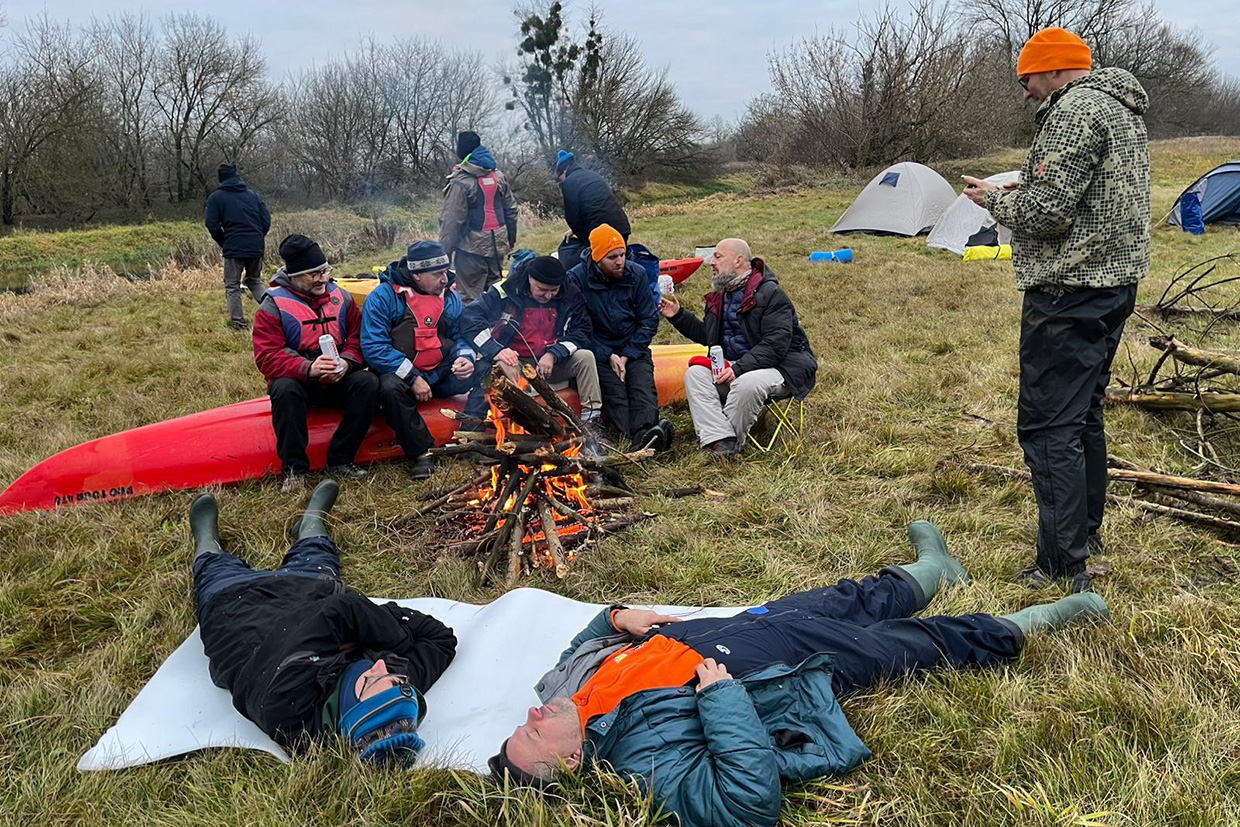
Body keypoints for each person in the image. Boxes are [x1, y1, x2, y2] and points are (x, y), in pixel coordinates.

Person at [488, 521, 1110, 827]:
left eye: (526, 722)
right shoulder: (641, 762)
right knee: (900, 646)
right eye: (536, 732)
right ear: (573, 762)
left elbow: (580, 643)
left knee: (842, 598)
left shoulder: (561, 692)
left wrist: (616, 617)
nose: (534, 713)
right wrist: (721, 699)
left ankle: (934, 569)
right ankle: (1031, 621)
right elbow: (747, 804)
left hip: (721, 631)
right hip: (769, 671)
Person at [962, 28, 1150, 593]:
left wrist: (993, 200)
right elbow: (1087, 190)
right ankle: (1084, 536)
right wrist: (1025, 185)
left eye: (1027, 79)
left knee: (1048, 427)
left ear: (1051, 68)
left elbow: (1046, 214)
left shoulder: (1073, 112)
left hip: (1069, 292)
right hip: (1114, 285)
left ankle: (1063, 565)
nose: (1025, 93)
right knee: (1084, 415)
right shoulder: (1120, 108)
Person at [190, 479, 457, 760]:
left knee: (213, 570)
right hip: (309, 591)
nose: (380, 666)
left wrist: (372, 626)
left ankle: (207, 541)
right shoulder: (390, 692)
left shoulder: (288, 706)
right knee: (317, 553)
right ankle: (310, 523)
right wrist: (396, 637)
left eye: (371, 679)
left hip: (240, 608)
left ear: (352, 708)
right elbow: (442, 639)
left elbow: (342, 609)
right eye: (395, 678)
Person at [659, 238, 816, 457]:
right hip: (737, 365)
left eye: (718, 257)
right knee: (695, 375)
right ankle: (721, 440)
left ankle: (728, 447)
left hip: (780, 366)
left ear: (738, 260)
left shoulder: (770, 294)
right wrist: (678, 316)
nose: (711, 262)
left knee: (746, 383)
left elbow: (775, 345)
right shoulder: (719, 296)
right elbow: (709, 337)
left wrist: (738, 369)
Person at [253, 234, 379, 491]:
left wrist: (346, 364)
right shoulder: (272, 305)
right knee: (284, 389)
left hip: (338, 378)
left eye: (325, 271)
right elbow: (268, 356)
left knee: (367, 382)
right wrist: (309, 369)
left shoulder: (342, 298)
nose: (323, 278)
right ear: (294, 276)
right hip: (300, 384)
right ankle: (295, 471)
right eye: (314, 274)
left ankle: (341, 458)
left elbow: (358, 339)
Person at [459, 254, 606, 452]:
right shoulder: (505, 291)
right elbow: (469, 320)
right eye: (542, 290)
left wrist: (554, 353)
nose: (548, 296)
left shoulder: (571, 294)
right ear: (530, 278)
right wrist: (496, 350)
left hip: (552, 364)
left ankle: (591, 423)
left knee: (585, 357)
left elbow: (582, 332)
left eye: (553, 291)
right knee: (502, 366)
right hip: (516, 362)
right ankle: (520, 427)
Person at [361, 241, 476, 479]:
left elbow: (462, 335)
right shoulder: (383, 297)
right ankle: (423, 452)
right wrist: (413, 377)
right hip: (402, 377)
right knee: (389, 388)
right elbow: (374, 346)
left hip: (442, 372)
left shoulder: (450, 296)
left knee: (485, 368)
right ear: (416, 275)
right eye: (437, 274)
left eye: (445, 272)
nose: (445, 279)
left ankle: (472, 434)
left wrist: (465, 358)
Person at [566, 224, 672, 451]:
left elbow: (649, 319)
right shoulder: (576, 279)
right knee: (615, 394)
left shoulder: (637, 274)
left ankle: (644, 435)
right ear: (597, 258)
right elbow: (579, 329)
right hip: (598, 351)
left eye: (622, 255)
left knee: (642, 386)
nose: (620, 261)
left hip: (633, 345)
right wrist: (608, 355)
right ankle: (647, 435)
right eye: (612, 257)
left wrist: (627, 354)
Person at [439, 131, 518, 302]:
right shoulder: (499, 176)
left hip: (470, 250)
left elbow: (451, 222)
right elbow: (511, 211)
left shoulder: (460, 181)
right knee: (496, 295)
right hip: (498, 246)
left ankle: (472, 321)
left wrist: (445, 255)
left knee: (469, 298)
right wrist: (510, 240)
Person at [205, 162, 272, 331]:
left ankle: (238, 323)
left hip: (234, 247)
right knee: (254, 280)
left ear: (220, 179)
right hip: (256, 245)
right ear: (236, 176)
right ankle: (276, 312)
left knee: (232, 285)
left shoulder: (216, 198)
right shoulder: (253, 195)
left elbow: (212, 225)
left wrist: (224, 242)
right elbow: (266, 221)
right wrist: (257, 237)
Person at [555, 150, 632, 265]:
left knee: (603, 267)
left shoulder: (569, 182)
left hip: (601, 232)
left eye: (559, 177)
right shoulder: (592, 175)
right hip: (621, 226)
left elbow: (572, 218)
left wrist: (585, 240)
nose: (561, 180)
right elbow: (597, 205)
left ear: (563, 170)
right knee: (621, 265)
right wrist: (574, 231)